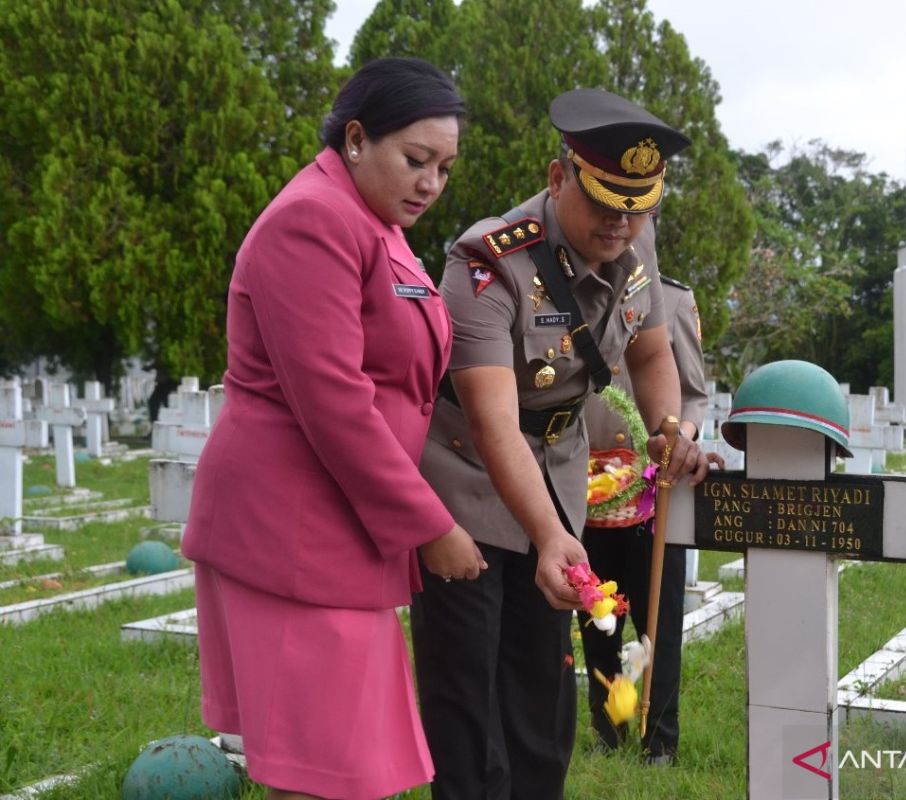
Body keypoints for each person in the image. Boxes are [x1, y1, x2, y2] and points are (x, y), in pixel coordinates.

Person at [181, 58, 486, 800]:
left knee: (347, 763)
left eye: (444, 169)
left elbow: (406, 377)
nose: (431, 184)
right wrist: (429, 525)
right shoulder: (312, 221)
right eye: (416, 160)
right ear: (356, 139)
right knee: (319, 770)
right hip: (287, 529)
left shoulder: (375, 225)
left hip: (338, 528)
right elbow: (333, 399)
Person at [412, 88, 711, 800]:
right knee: (469, 688)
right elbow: (492, 424)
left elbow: (649, 352)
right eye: (606, 201)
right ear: (558, 178)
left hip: (557, 472)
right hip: (467, 480)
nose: (622, 223)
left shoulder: (636, 237)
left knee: (542, 688)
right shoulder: (487, 262)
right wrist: (548, 537)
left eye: (639, 205)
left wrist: (670, 428)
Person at [578, 274, 708, 765]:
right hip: (587, 488)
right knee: (596, 614)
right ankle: (607, 725)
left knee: (659, 622)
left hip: (656, 487)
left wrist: (677, 437)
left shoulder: (672, 299)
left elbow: (693, 394)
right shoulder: (567, 296)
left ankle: (660, 737)